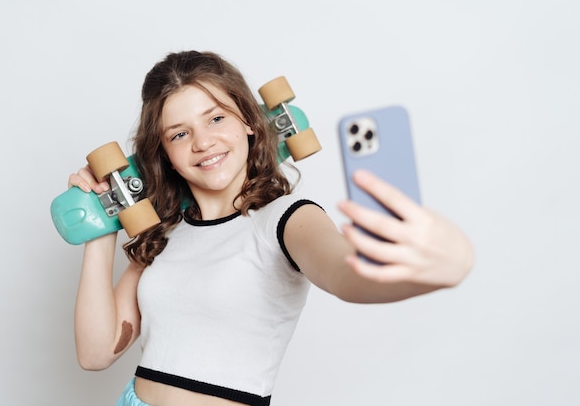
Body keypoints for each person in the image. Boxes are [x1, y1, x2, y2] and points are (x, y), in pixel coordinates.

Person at [68, 50, 474, 406]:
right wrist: (102, 225)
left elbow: (345, 274)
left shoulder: (286, 218)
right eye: (180, 133)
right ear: (165, 155)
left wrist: (438, 265)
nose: (203, 142)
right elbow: (96, 353)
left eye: (216, 118)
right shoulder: (166, 234)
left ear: (248, 120)